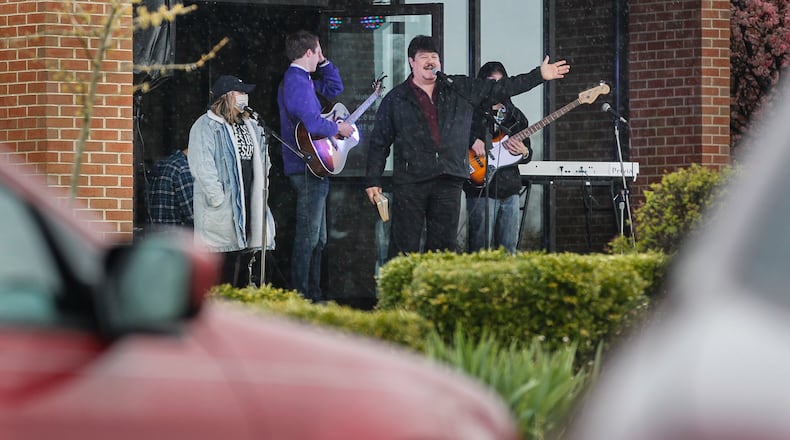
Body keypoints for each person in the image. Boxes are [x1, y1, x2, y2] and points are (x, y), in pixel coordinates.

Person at [365, 35, 569, 259]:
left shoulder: (458, 87)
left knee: (442, 251)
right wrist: (373, 179)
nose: (431, 61)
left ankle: (438, 294)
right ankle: (404, 293)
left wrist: (538, 75)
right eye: (424, 57)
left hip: (449, 178)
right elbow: (379, 142)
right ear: (412, 62)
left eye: (435, 57)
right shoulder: (396, 99)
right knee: (405, 247)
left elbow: (501, 88)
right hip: (411, 181)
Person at [278, 30, 355, 302]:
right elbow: (312, 123)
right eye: (318, 52)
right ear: (309, 52)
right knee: (308, 238)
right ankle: (303, 295)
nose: (320, 55)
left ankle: (313, 293)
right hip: (306, 168)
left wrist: (324, 64)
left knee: (317, 239)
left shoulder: (304, 80)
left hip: (312, 167)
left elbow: (334, 89)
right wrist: (339, 128)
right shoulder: (297, 82)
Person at [188, 74, 276, 287]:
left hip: (247, 197)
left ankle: (240, 300)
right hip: (223, 203)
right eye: (241, 92)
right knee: (223, 262)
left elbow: (262, 159)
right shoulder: (206, 125)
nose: (245, 96)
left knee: (244, 256)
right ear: (226, 96)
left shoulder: (250, 124)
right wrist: (218, 198)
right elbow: (202, 166)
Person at [465, 61, 532, 254]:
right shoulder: (471, 112)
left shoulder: (516, 117)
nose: (497, 87)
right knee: (480, 249)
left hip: (510, 188)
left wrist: (524, 151)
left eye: (501, 82)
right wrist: (472, 141)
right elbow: (453, 134)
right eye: (491, 82)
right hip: (479, 185)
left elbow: (527, 154)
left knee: (508, 249)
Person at [148, 146, 194, 230]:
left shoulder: (163, 163)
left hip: (155, 236)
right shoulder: (183, 168)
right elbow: (193, 214)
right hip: (176, 238)